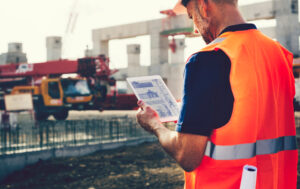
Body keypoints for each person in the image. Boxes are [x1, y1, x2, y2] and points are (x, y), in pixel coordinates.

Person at [136, 0, 298, 188]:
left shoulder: (207, 59)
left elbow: (187, 155)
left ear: (204, 6)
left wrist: (154, 124)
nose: (195, 29)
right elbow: (252, 111)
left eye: (192, 17)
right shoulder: (278, 53)